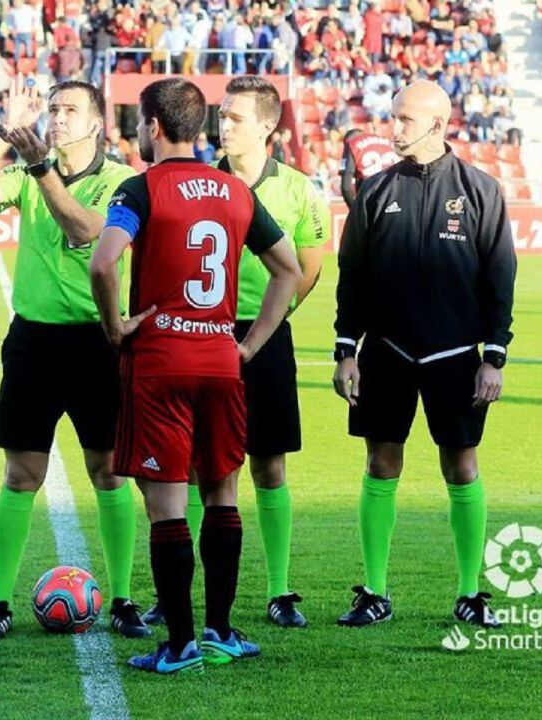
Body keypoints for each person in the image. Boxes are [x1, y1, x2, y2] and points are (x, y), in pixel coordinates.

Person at [90, 77, 302, 675]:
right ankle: (222, 630)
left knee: (167, 506)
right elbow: (287, 270)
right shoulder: (235, 190)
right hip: (221, 360)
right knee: (223, 494)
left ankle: (179, 643)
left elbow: (104, 262)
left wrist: (116, 326)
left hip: (160, 362)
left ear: (154, 126)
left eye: (139, 122)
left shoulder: (140, 188)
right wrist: (250, 343)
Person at [0, 77, 150, 641]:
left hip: (97, 343)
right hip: (33, 341)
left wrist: (43, 171)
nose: (57, 119)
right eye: (52, 109)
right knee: (21, 475)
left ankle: (125, 599)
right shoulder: (25, 174)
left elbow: (87, 233)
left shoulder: (122, 182)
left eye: (70, 111)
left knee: (109, 473)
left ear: (96, 124)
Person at [141, 76, 330, 631]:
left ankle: (279, 590)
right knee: (197, 465)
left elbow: (309, 268)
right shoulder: (200, 181)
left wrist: (265, 331)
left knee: (269, 465)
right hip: (203, 333)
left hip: (262, 336)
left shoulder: (299, 189)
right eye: (221, 116)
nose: (223, 126)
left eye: (236, 118)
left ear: (269, 126)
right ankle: (184, 596)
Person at [332, 80, 517, 629]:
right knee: (379, 463)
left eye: (405, 120)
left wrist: (495, 355)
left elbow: (499, 276)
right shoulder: (374, 191)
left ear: (437, 124)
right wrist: (347, 350)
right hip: (385, 352)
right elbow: (353, 277)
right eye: (393, 118)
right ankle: (374, 591)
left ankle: (469, 592)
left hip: (457, 354)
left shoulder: (481, 190)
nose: (394, 129)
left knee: (461, 466)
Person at [339, 128, 399, 205]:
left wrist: (355, 211)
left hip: (372, 197)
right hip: (396, 195)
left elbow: (346, 187)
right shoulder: (387, 141)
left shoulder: (351, 143)